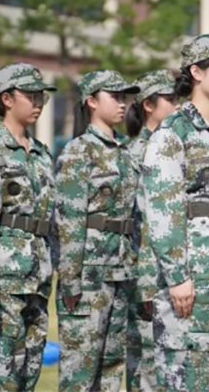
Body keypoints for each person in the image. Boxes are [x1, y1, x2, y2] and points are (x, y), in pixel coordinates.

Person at [142, 33, 209, 390]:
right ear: (197, 72)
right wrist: (177, 276)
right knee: (188, 378)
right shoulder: (174, 132)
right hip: (194, 280)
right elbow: (163, 207)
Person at [0, 63, 56, 392]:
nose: (38, 102)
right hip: (4, 280)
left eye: (41, 96)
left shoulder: (41, 155)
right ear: (6, 99)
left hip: (38, 278)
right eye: (30, 95)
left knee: (28, 373)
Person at [54, 69, 140, 391]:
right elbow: (69, 220)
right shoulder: (79, 152)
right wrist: (70, 280)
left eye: (124, 97)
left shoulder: (125, 153)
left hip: (121, 272)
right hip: (90, 275)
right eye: (114, 96)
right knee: (80, 371)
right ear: (91, 101)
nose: (122, 103)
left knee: (111, 369)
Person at [124, 69, 180, 392]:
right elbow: (137, 223)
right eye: (169, 99)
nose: (177, 105)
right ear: (148, 104)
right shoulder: (135, 153)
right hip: (148, 276)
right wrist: (145, 284)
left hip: (176, 273)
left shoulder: (176, 145)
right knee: (148, 368)